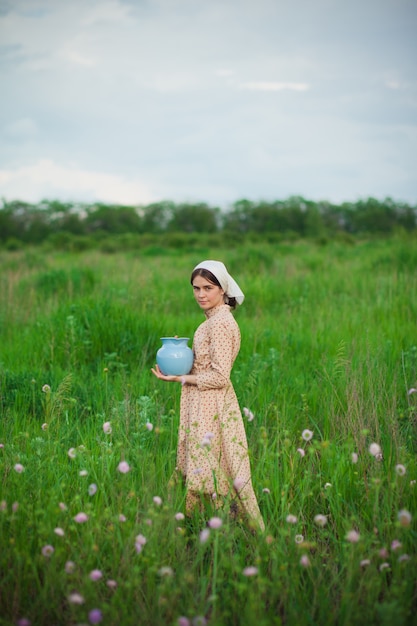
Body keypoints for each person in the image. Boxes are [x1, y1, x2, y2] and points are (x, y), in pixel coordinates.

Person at [151, 260, 265, 532]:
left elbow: (220, 377)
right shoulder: (212, 321)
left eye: (208, 288)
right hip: (201, 401)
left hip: (212, 404)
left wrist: (180, 377)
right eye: (196, 288)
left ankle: (222, 530)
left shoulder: (221, 324)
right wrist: (182, 358)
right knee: (207, 463)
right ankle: (205, 528)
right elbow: (207, 364)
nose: (201, 294)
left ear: (222, 290)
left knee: (214, 465)